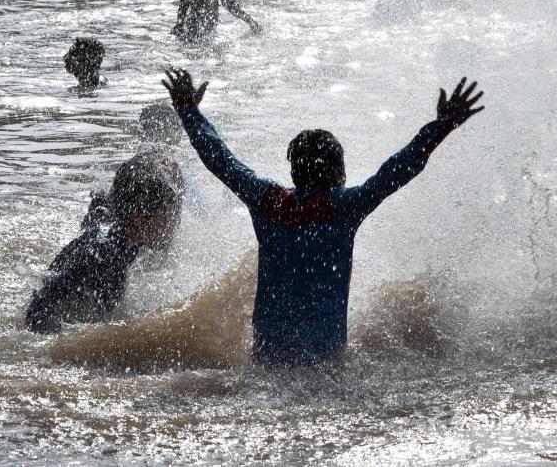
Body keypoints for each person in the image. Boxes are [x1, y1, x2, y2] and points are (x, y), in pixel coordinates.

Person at [162, 67, 485, 365]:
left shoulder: (267, 202)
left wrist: (188, 110)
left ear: (293, 171)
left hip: (267, 356)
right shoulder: (343, 208)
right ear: (340, 171)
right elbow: (396, 170)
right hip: (326, 359)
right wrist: (442, 125)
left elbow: (219, 158)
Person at [25, 158, 182, 334]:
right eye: (165, 215)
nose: (171, 223)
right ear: (138, 217)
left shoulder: (127, 235)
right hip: (47, 321)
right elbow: (39, 308)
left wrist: (177, 181)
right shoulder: (107, 260)